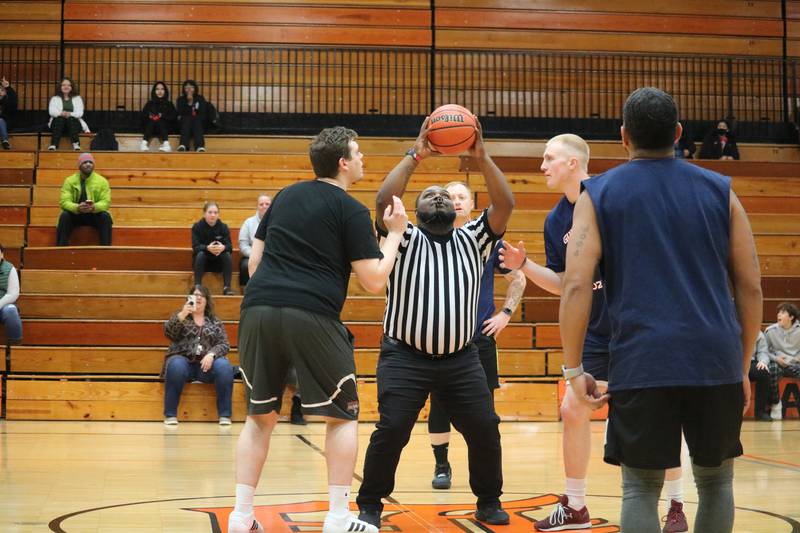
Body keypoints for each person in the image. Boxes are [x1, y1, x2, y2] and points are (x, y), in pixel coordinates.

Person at [558, 87, 762, 533]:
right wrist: (742, 364)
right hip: (715, 359)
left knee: (640, 488)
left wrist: (574, 370)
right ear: (679, 133)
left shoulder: (599, 193)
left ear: (624, 136)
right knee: (714, 482)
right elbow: (750, 286)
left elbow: (575, 285)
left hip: (642, 358)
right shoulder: (721, 191)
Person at [500, 134, 688, 532]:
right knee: (572, 408)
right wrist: (526, 264)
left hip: (638, 324)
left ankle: (675, 505)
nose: (542, 166)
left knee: (659, 414)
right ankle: (576, 506)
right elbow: (566, 281)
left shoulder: (613, 196)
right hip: (598, 329)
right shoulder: (555, 221)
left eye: (549, 158)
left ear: (573, 162)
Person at [229, 126, 408, 533]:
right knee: (341, 417)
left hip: (256, 309)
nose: (363, 159)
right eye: (358, 153)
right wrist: (395, 233)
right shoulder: (349, 209)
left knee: (259, 418)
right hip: (311, 313)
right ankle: (339, 517)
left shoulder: (285, 197)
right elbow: (375, 279)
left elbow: (253, 266)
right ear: (343, 162)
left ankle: (241, 516)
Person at [356, 117, 514, 528]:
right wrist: (416, 155)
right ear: (416, 211)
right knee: (391, 429)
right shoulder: (402, 235)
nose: (439, 196)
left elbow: (506, 204)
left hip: (462, 359)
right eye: (430, 194)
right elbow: (383, 197)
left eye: (444, 194)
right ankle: (370, 502)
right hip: (405, 357)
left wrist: (481, 158)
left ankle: (488, 499)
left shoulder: (475, 237)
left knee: (484, 428)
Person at [426, 180, 526, 490]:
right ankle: (441, 464)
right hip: (441, 338)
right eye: (450, 196)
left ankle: (482, 470)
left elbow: (518, 277)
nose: (455, 201)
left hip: (479, 337)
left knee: (482, 410)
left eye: (461, 197)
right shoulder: (427, 239)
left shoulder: (488, 242)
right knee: (439, 405)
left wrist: (505, 315)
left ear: (472, 205)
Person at [162, 285, 234, 426]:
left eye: (202, 295)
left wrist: (212, 354)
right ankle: (170, 415)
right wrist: (182, 315)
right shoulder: (181, 316)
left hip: (206, 366)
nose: (198, 297)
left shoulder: (215, 322)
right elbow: (168, 333)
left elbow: (224, 344)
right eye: (195, 295)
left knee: (225, 367)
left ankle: (225, 415)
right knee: (175, 365)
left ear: (207, 300)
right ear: (189, 298)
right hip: (184, 362)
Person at [56, 153, 113, 246]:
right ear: (79, 166)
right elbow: (64, 202)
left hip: (94, 215)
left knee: (106, 217)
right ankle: (61, 249)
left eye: (90, 162)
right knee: (64, 215)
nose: (88, 164)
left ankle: (105, 249)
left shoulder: (102, 181)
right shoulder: (69, 181)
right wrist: (77, 207)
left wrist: (94, 207)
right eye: (85, 162)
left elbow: (106, 202)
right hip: (76, 214)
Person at [764, 302, 800, 420]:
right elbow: (764, 351)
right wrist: (776, 359)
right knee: (772, 368)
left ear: (791, 317)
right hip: (779, 365)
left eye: (783, 312)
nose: (778, 315)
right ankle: (775, 403)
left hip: (795, 365)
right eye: (778, 312)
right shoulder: (770, 331)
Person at [191, 201, 233, 295]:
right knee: (201, 254)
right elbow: (195, 247)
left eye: (215, 212)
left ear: (218, 214)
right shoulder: (197, 227)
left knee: (227, 255)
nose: (213, 215)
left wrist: (223, 247)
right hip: (202, 263)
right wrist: (207, 248)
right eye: (210, 212)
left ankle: (227, 287)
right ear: (204, 213)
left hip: (218, 263)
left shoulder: (223, 227)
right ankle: (197, 287)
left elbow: (230, 247)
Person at [238, 194, 271, 288]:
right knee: (245, 265)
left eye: (267, 204)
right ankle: (246, 291)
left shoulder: (277, 222)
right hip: (252, 256)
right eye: (261, 204)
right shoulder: (248, 223)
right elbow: (243, 245)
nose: (264, 206)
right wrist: (255, 255)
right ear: (257, 206)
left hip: (271, 256)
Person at [47, 77, 89, 151]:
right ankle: (53, 145)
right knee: (60, 119)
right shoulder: (55, 98)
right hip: (58, 125)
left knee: (70, 119)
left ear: (71, 87)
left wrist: (70, 114)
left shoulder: (77, 98)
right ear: (60, 87)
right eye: (63, 85)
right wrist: (61, 113)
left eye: (68, 85)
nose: (66, 87)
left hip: (73, 124)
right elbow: (51, 112)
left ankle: (76, 145)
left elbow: (80, 113)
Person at [140, 81, 176, 152]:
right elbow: (143, 116)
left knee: (159, 119)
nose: (160, 91)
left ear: (165, 91)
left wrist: (162, 116)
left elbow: (173, 117)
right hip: (151, 128)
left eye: (162, 89)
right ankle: (144, 144)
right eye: (157, 89)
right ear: (154, 91)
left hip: (166, 128)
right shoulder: (150, 103)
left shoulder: (169, 104)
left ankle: (165, 144)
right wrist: (149, 116)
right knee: (154, 119)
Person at [176, 80, 207, 152]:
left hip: (198, 123)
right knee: (187, 118)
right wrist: (189, 103)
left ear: (195, 88)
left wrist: (194, 109)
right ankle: (183, 145)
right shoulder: (180, 99)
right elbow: (181, 113)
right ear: (184, 89)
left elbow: (203, 113)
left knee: (196, 119)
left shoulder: (200, 98)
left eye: (192, 87)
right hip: (184, 124)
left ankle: (199, 146)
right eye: (187, 88)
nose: (189, 89)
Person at [0, 242, 22, 344]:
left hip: (4, 305)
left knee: (11, 311)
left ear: (2, 254)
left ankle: (15, 346)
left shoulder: (9, 268)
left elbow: (13, 293)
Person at [749, 331, 772, 421]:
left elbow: (763, 352)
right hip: (731, 364)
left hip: (750, 362)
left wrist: (762, 361)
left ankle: (760, 412)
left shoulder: (757, 332)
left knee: (763, 372)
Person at [0, 76, 18, 150]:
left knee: (0, 120)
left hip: (7, 122)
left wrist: (8, 87)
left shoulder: (7, 100)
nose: (0, 91)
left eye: (2, 90)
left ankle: (5, 140)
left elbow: (13, 102)